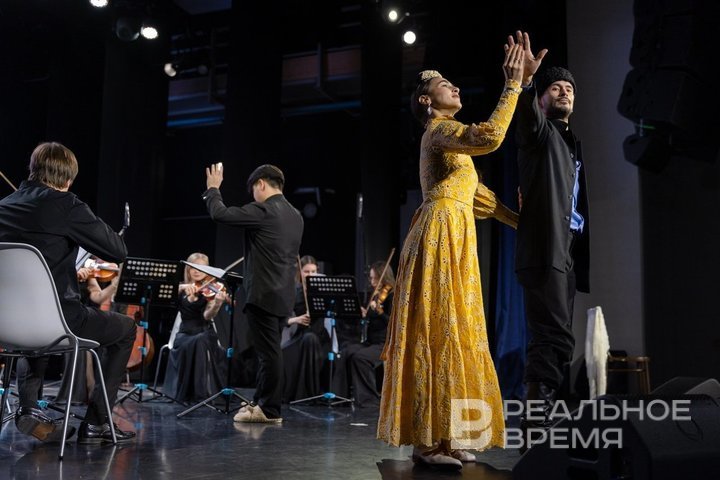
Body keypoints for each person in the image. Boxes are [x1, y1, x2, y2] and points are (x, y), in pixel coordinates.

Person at [377, 38, 526, 469]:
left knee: (459, 331)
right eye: (446, 85)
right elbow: (489, 136)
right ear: (427, 101)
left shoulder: (452, 147)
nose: (455, 87)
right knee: (437, 328)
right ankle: (426, 442)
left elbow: (481, 199)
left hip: (457, 236)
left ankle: (452, 434)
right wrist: (512, 86)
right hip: (438, 234)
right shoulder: (440, 131)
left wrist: (524, 222)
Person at [0, 142, 136, 443]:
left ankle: (29, 408)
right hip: (58, 322)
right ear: (69, 179)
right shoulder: (66, 205)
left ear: (32, 169)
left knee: (33, 324)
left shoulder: (4, 205)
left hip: (8, 326)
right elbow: (118, 250)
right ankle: (97, 422)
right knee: (127, 329)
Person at [508, 32, 590, 448]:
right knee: (552, 337)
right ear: (542, 100)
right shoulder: (539, 135)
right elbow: (525, 118)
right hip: (544, 250)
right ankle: (536, 425)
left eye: (569, 88)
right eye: (555, 87)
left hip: (566, 250)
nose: (564, 92)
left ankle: (541, 422)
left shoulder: (571, 145)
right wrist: (525, 83)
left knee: (558, 339)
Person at [203, 163, 303, 423]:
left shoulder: (265, 210)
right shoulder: (295, 215)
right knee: (269, 352)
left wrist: (213, 189)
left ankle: (270, 410)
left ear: (261, 184)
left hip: (264, 294)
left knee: (269, 355)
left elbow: (220, 214)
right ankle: (261, 402)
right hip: (283, 295)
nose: (254, 196)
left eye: (253, 190)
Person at [162, 252, 229, 403]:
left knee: (199, 340)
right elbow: (165, 290)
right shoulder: (181, 289)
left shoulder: (211, 289)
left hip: (203, 331)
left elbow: (207, 316)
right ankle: (185, 392)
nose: (197, 271)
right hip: (184, 332)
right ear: (188, 270)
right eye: (193, 267)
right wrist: (184, 286)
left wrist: (217, 304)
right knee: (183, 342)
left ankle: (200, 393)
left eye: (201, 268)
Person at [332, 261, 394, 407]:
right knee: (346, 351)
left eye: (375, 278)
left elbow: (393, 322)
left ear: (383, 276)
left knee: (360, 358)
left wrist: (379, 312)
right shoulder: (376, 295)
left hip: (385, 343)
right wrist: (365, 313)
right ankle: (341, 397)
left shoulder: (392, 295)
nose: (372, 282)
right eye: (371, 278)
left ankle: (369, 400)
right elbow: (372, 320)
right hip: (371, 342)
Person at [281, 255, 331, 402]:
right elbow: (283, 319)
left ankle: (313, 393)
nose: (310, 275)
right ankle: (300, 394)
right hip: (301, 336)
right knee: (283, 352)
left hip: (320, 338)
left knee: (311, 339)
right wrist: (296, 319)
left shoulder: (322, 290)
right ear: (300, 272)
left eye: (313, 272)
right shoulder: (294, 291)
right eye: (306, 272)